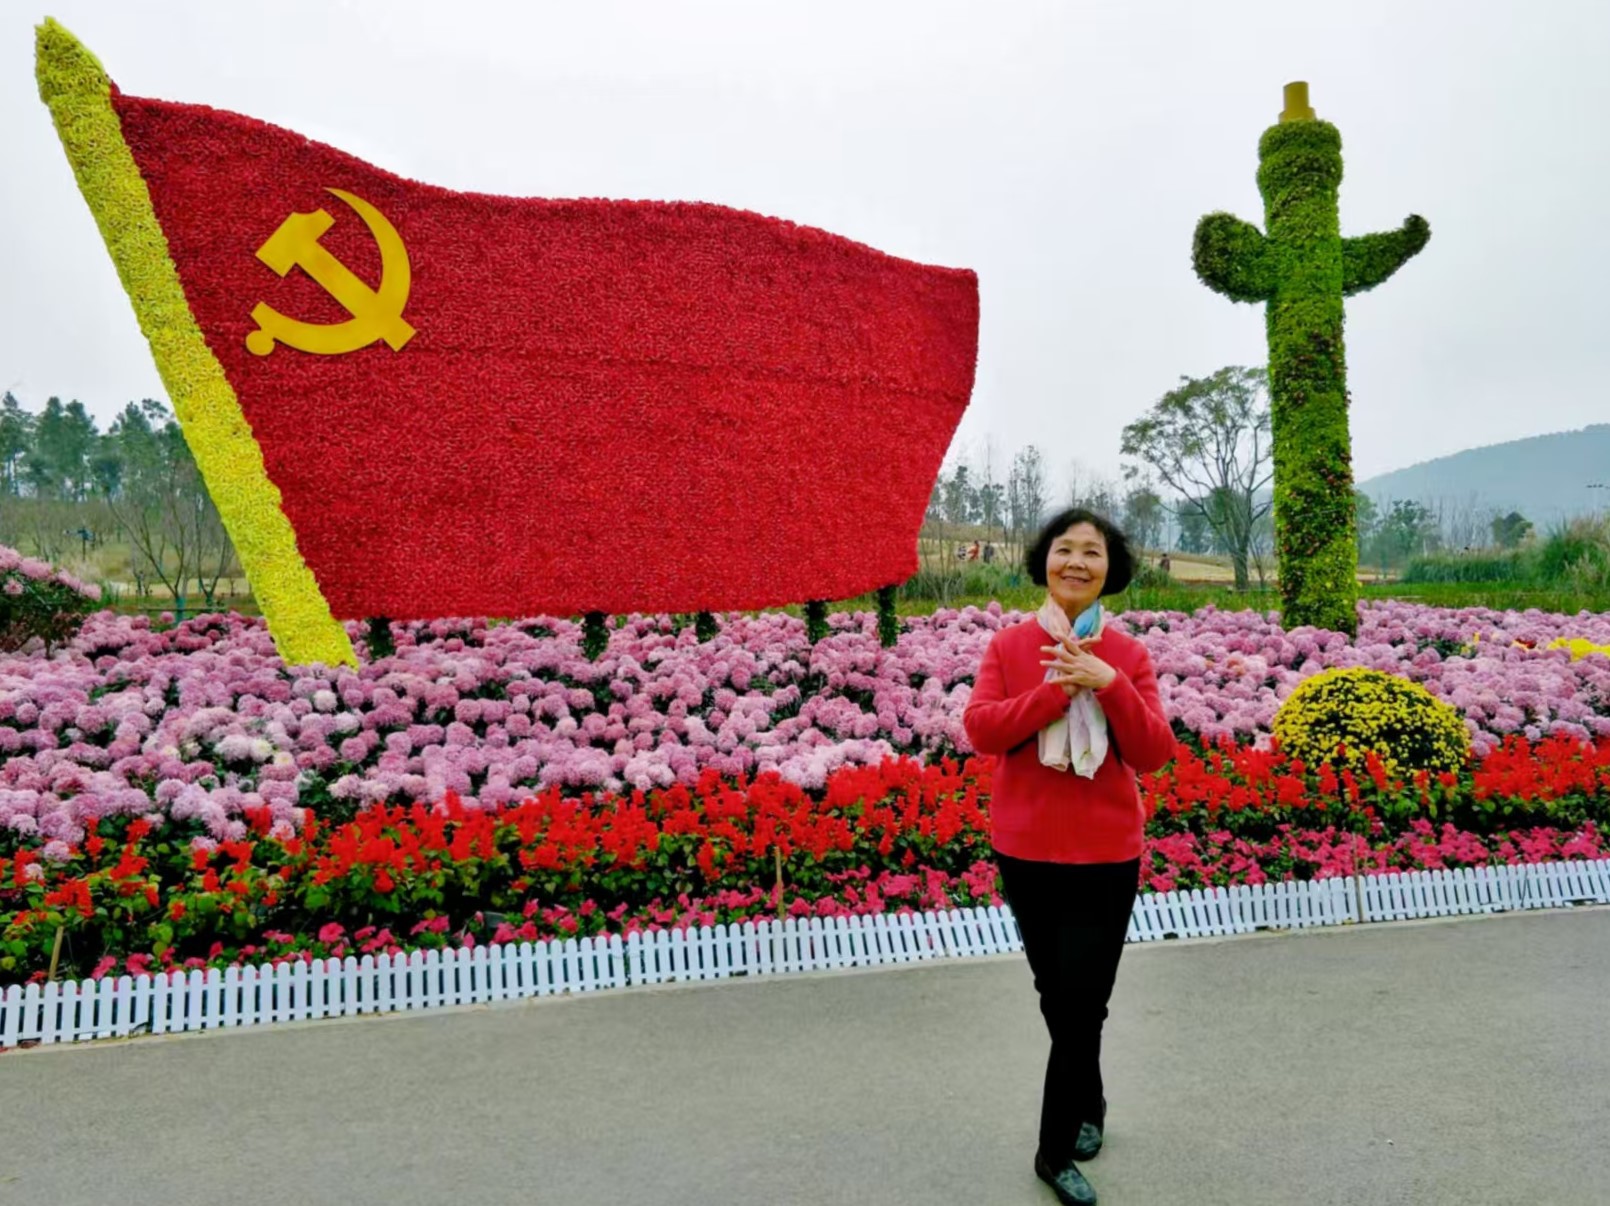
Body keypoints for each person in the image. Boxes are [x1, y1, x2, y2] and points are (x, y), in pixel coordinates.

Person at [962, 508, 1176, 1206]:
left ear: (1111, 568)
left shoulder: (1128, 656)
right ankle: (1092, 1103)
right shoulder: (1009, 646)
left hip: (1107, 853)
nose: (1077, 562)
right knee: (1061, 999)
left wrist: (1108, 683)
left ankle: (1052, 1153)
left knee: (1083, 1004)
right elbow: (983, 730)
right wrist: (1058, 690)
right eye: (1065, 549)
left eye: (1092, 552)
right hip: (1025, 848)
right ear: (1044, 561)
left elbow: (1154, 752)